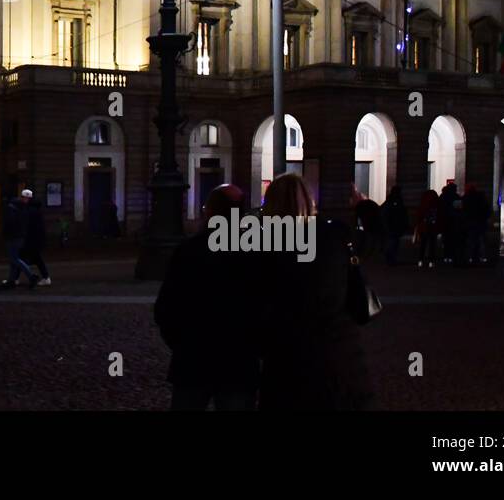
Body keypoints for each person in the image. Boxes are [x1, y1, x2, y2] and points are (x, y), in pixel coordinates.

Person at [258, 173, 372, 411]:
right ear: (309, 200)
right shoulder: (336, 234)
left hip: (286, 357)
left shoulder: (262, 242)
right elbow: (354, 290)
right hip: (338, 353)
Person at [154, 184, 259, 409]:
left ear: (209, 211)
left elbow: (166, 308)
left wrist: (181, 344)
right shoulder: (254, 251)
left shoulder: (189, 250)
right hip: (239, 361)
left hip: (193, 359)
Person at [0, 190, 38, 289]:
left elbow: (9, 223)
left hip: (13, 236)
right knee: (14, 259)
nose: (28, 200)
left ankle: (30, 276)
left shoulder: (13, 207)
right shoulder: (22, 208)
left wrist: (6, 233)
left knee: (14, 258)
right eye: (27, 198)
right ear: (23, 197)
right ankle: (11, 280)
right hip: (18, 236)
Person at [23, 191, 52, 285]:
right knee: (30, 259)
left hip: (32, 239)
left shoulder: (30, 211)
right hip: (36, 239)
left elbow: (29, 226)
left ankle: (45, 277)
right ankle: (15, 278)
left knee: (23, 258)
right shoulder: (37, 211)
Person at [462, 183, 491, 265]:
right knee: (481, 240)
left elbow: (464, 210)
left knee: (471, 240)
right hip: (481, 221)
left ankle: (471, 257)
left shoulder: (466, 198)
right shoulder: (481, 197)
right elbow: (487, 209)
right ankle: (482, 257)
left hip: (471, 222)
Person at [382, 187, 409, 266]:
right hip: (393, 225)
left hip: (395, 225)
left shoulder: (395, 200)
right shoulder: (393, 201)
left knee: (394, 242)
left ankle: (391, 259)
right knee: (393, 242)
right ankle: (390, 259)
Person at [414, 189, 441, 269]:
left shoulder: (423, 204)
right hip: (433, 227)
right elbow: (439, 216)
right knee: (432, 245)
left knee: (423, 244)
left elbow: (419, 216)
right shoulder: (436, 205)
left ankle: (420, 260)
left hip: (424, 227)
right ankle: (431, 261)